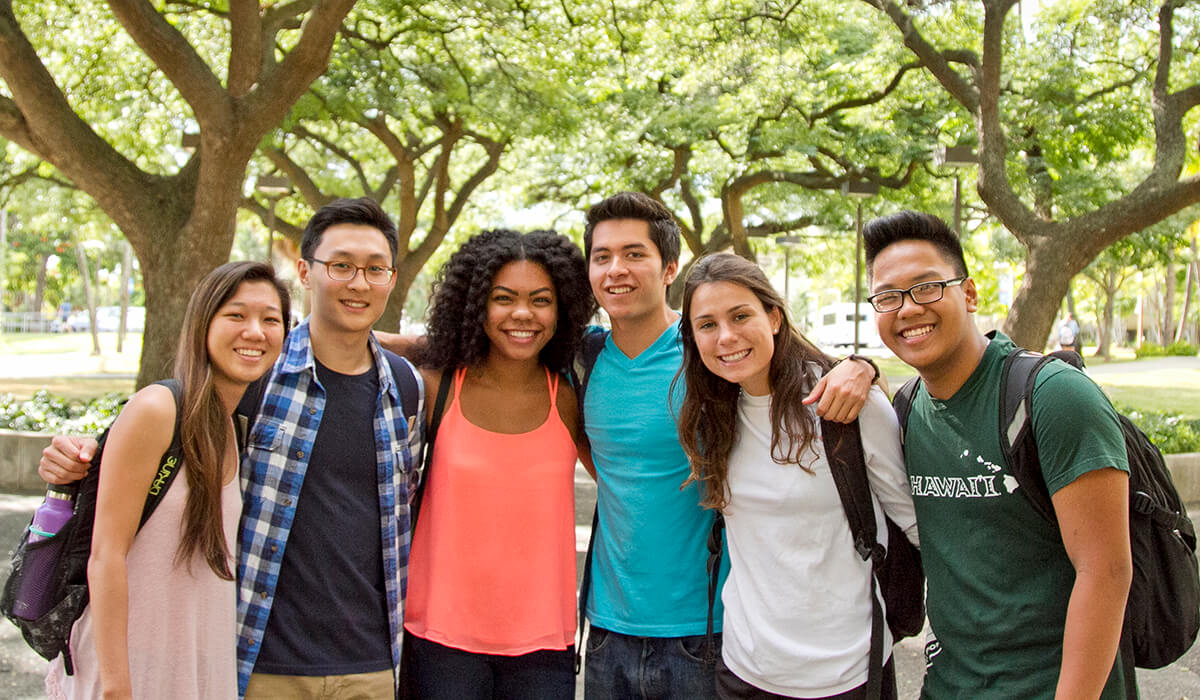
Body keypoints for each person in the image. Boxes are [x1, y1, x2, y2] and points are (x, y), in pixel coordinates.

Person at [40, 198, 424, 700]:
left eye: (375, 269)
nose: (358, 282)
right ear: (307, 272)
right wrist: (81, 453)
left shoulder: (405, 388)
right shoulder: (257, 371)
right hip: (255, 659)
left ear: (392, 278)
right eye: (342, 266)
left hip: (371, 664)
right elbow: (166, 428)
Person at [578, 193, 877, 699]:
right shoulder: (580, 357)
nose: (615, 270)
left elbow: (796, 367)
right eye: (601, 256)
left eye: (634, 254)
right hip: (607, 630)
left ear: (670, 266)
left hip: (709, 630)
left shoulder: (710, 350)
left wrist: (862, 367)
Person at [863, 211, 1131, 698]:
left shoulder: (1053, 397)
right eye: (888, 297)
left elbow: (1107, 571)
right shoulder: (904, 410)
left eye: (926, 287)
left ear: (968, 294)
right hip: (949, 684)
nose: (907, 309)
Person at [674, 253, 917, 700]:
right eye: (706, 324)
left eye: (740, 315)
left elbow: (918, 525)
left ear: (775, 317)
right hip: (745, 670)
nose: (726, 337)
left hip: (848, 671)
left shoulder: (844, 404)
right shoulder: (712, 412)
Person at [45, 261, 290, 699]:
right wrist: (117, 687)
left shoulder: (233, 428)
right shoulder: (158, 409)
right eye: (236, 315)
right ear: (203, 323)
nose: (255, 331)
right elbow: (106, 556)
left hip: (198, 666)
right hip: (131, 670)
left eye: (271, 319)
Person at [402, 228, 595, 699]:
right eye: (503, 298)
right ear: (475, 306)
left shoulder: (570, 396)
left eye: (541, 300)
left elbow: (625, 479)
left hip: (542, 647)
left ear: (562, 309)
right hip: (438, 638)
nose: (522, 314)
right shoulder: (435, 388)